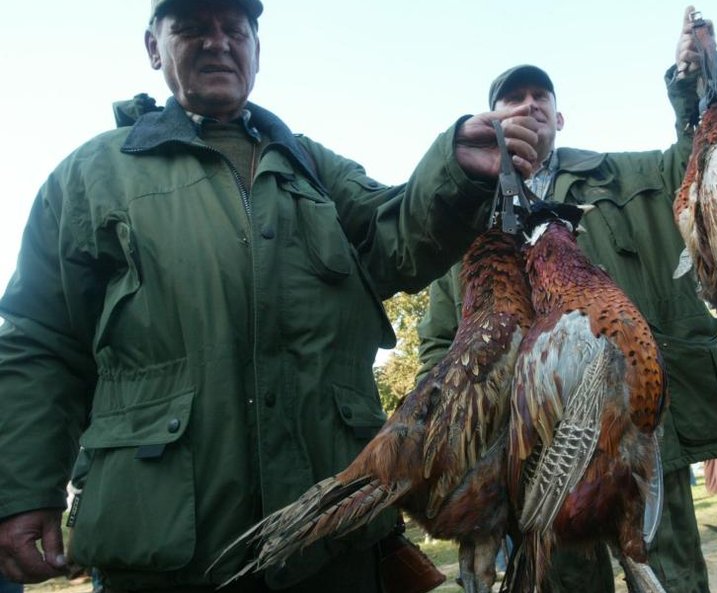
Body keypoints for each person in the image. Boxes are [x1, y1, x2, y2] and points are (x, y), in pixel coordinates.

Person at [0, 1, 546, 591]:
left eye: (235, 29)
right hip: (166, 544)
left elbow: (395, 237)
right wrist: (24, 489)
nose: (217, 43)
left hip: (329, 530)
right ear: (154, 47)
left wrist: (457, 170)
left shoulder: (309, 164)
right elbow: (40, 341)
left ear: (256, 49)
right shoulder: (92, 174)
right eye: (191, 29)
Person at [416, 7, 717, 592]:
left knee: (670, 575)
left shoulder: (620, 178)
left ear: (559, 115)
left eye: (539, 95)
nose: (527, 104)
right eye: (512, 97)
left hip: (640, 427)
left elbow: (699, 162)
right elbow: (441, 343)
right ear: (491, 121)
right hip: (536, 449)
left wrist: (698, 79)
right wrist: (458, 439)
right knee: (561, 582)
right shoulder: (466, 223)